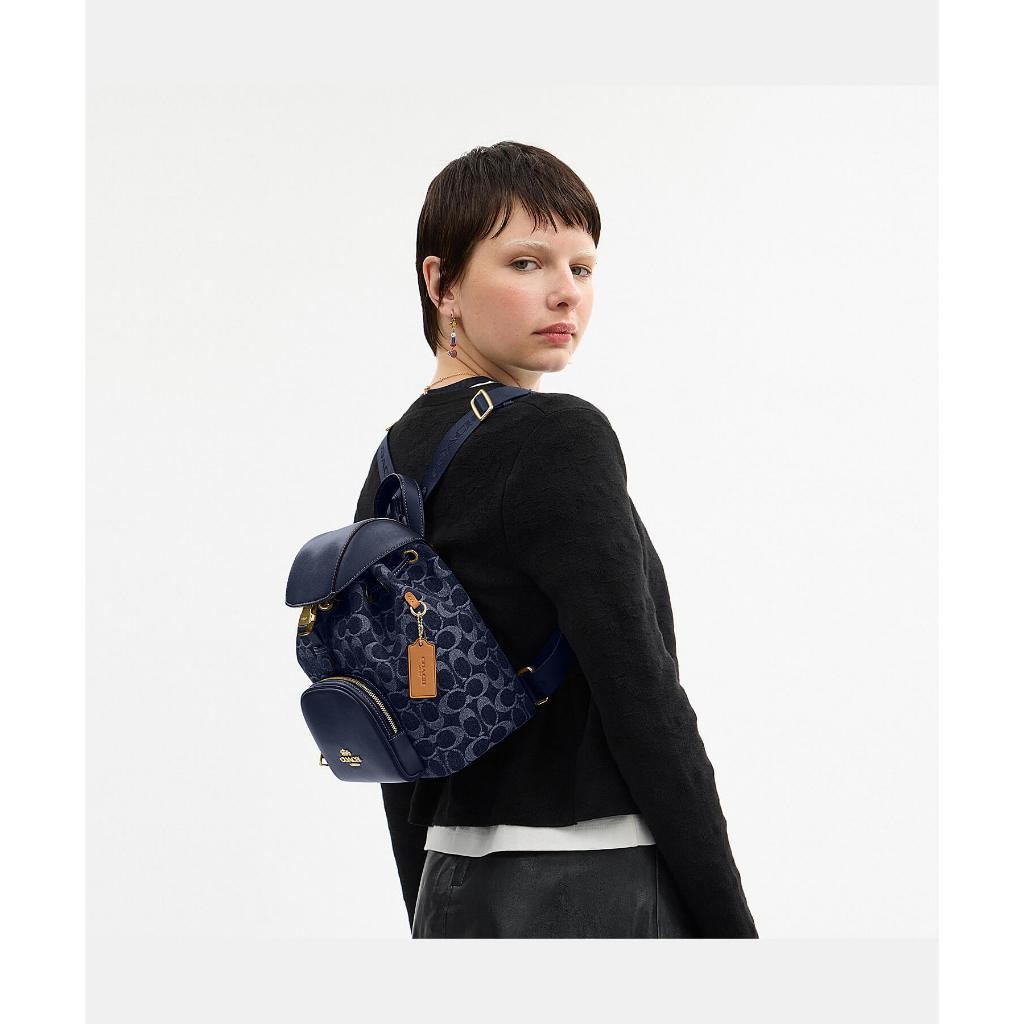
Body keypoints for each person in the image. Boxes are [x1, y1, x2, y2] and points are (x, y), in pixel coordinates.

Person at [352, 141, 758, 939]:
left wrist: (425, 903)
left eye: (582, 267)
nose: (566, 292)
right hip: (596, 885)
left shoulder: (392, 462)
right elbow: (642, 699)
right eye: (527, 262)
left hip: (450, 885)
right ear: (442, 284)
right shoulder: (560, 437)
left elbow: (400, 728)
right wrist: (730, 931)